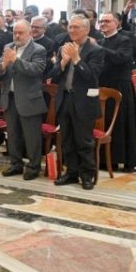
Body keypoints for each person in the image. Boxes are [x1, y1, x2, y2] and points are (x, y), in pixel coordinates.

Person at [52, 15, 104, 190]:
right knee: (67, 140)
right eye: (70, 27)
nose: (72, 30)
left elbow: (91, 77)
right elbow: (54, 76)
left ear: (87, 30)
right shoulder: (64, 48)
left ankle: (87, 175)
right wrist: (63, 62)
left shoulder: (96, 50)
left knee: (84, 141)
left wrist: (76, 60)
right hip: (65, 99)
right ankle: (71, 173)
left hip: (84, 102)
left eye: (76, 27)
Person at [0, 20, 47, 180]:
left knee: (32, 137)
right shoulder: (8, 47)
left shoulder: (39, 49)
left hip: (29, 100)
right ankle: (15, 164)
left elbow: (35, 70)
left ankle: (33, 167)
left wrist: (15, 60)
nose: (17, 35)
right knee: (13, 134)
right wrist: (4, 64)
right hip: (9, 98)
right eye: (15, 32)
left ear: (29, 33)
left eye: (20, 33)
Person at [98, 12, 136, 172]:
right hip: (102, 86)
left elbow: (120, 58)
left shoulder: (124, 40)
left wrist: (99, 48)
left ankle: (125, 160)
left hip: (120, 86)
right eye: (101, 21)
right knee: (104, 121)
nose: (103, 23)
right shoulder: (100, 41)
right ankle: (106, 160)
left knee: (121, 123)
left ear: (117, 23)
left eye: (107, 21)